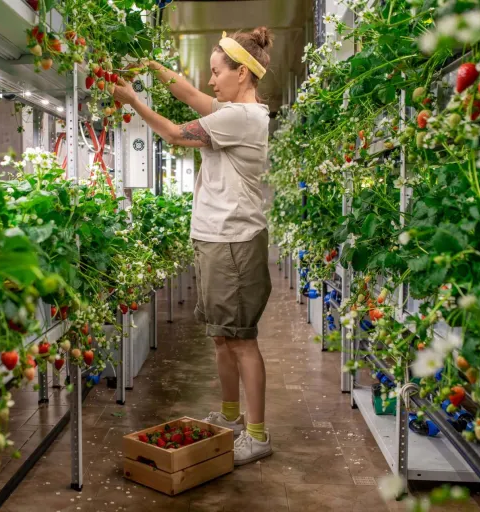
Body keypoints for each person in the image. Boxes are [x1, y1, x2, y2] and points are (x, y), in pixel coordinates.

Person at [112, 27, 274, 465]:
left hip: (234, 242)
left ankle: (256, 435)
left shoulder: (242, 117)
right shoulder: (231, 110)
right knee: (222, 337)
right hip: (216, 237)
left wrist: (134, 101)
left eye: (217, 72)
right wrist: (149, 65)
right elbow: (187, 93)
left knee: (240, 339)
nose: (210, 81)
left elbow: (174, 133)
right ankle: (230, 417)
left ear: (242, 74)